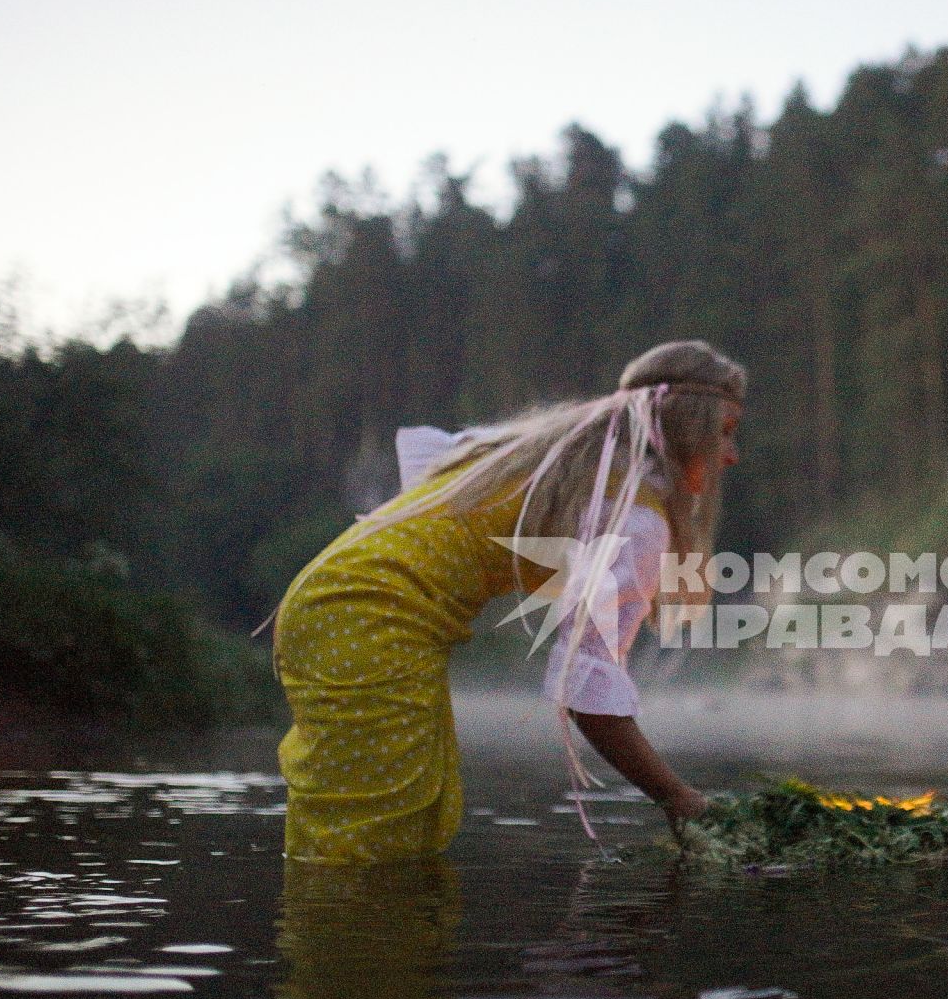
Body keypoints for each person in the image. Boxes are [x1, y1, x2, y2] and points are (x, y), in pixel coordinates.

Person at [271, 339, 743, 863]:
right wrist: (680, 799)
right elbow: (586, 689)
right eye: (724, 432)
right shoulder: (632, 514)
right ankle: (341, 935)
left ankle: (345, 933)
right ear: (685, 428)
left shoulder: (558, 459)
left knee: (408, 815)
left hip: (339, 601)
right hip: (369, 614)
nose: (731, 455)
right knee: (374, 837)